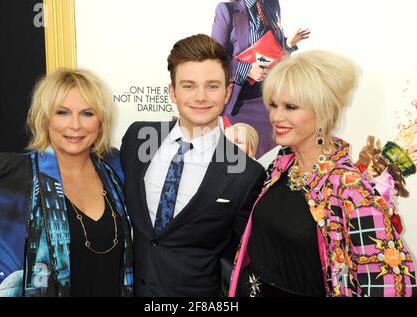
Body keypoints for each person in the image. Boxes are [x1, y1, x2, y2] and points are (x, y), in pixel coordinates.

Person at [229, 50, 417, 297]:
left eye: (290, 107)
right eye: (273, 105)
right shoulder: (280, 165)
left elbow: (390, 283)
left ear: (324, 112)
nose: (276, 116)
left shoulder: (351, 189)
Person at [120, 34, 265, 297]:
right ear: (172, 92)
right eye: (188, 86)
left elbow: (244, 261)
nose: (200, 97)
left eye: (212, 86)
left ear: (227, 92)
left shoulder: (246, 173)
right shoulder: (138, 139)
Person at [0, 69, 133, 297]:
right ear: (45, 119)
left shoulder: (116, 170)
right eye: (62, 112)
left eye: (87, 113)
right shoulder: (13, 176)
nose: (75, 125)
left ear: (101, 122)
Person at [212, 0, 310, 158]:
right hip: (239, 103)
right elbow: (213, 59)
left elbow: (272, 49)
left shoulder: (272, 5)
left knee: (274, 154)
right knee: (239, 159)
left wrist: (288, 44)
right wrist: (247, 69)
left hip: (268, 98)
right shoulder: (227, 10)